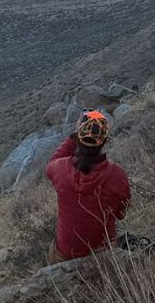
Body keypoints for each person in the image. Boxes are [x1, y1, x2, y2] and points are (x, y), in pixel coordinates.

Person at [44, 111, 131, 262]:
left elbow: (51, 163)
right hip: (103, 253)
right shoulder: (117, 176)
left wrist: (75, 135)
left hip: (64, 254)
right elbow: (121, 214)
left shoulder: (61, 169)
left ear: (78, 139)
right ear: (104, 142)